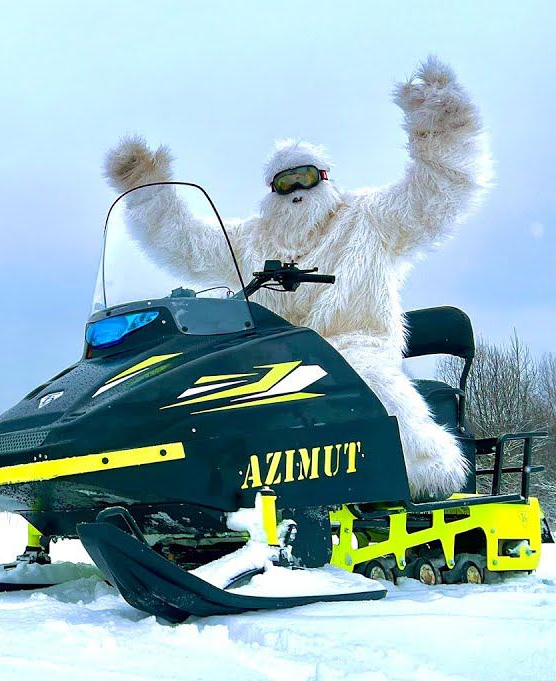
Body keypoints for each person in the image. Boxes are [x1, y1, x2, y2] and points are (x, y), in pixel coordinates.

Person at [101, 56, 491, 500]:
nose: (296, 191)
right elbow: (188, 244)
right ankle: (189, 494)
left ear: (325, 178)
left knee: (366, 380)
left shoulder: (369, 219)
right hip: (270, 362)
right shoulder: (250, 239)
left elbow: (436, 195)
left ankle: (419, 474)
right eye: (284, 183)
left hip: (354, 349)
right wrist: (148, 191)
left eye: (305, 177)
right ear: (271, 191)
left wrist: (438, 124)